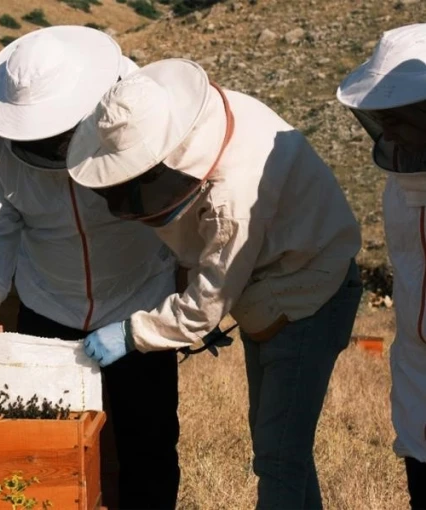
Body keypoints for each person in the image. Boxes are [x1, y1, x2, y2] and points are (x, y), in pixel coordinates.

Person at [66, 58, 363, 509]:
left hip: (309, 293)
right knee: (283, 449)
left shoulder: (233, 195)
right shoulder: (195, 127)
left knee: (278, 455)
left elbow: (209, 300)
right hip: (273, 281)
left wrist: (132, 332)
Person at [0, 26, 181, 509]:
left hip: (139, 303)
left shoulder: (131, 106)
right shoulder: (1, 143)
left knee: (148, 445)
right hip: (49, 307)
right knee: (50, 449)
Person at [336, 23, 426, 510]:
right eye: (380, 118)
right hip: (417, 376)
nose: (387, 132)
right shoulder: (399, 183)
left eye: (397, 118)